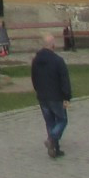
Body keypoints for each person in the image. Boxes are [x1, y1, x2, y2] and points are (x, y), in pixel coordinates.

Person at [30, 30, 72, 159]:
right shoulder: (58, 61)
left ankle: (55, 149)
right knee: (62, 120)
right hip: (56, 97)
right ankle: (52, 139)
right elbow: (64, 80)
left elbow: (34, 78)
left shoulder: (36, 60)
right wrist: (66, 97)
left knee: (50, 122)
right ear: (53, 45)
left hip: (43, 96)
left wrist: (38, 91)